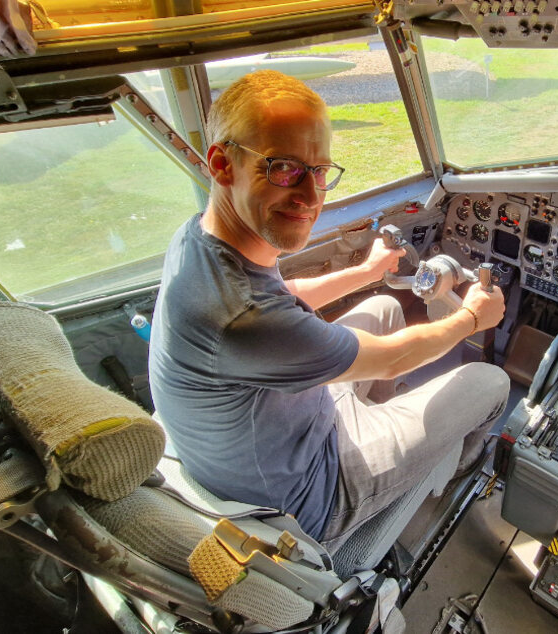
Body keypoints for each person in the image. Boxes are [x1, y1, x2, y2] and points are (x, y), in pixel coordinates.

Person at [149, 70, 510, 550]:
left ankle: (383, 418)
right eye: (284, 168)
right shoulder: (242, 317)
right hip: (309, 492)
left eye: (319, 171)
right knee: (490, 381)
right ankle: (452, 473)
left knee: (383, 304)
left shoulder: (202, 236)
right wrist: (471, 319)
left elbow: (286, 289)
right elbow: (392, 359)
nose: (310, 195)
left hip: (277, 432)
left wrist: (368, 270)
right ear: (221, 164)